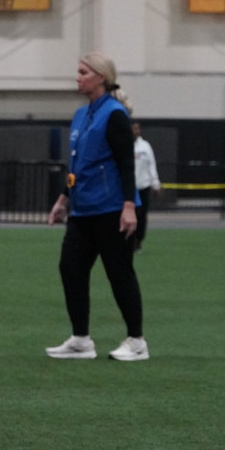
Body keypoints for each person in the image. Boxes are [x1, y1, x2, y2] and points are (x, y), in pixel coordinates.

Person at [46, 53, 148, 361]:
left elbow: (126, 163)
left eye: (83, 72)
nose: (77, 77)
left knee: (119, 272)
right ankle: (81, 340)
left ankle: (137, 341)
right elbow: (78, 164)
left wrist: (129, 206)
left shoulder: (115, 114)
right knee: (70, 268)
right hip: (83, 209)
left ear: (101, 77)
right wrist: (63, 199)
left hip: (112, 208)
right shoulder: (82, 115)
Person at [132, 120, 160, 251]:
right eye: (133, 129)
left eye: (137, 129)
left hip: (143, 187)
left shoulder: (145, 147)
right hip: (128, 188)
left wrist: (156, 184)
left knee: (141, 216)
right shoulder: (124, 145)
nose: (135, 131)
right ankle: (128, 240)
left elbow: (151, 165)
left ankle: (138, 240)